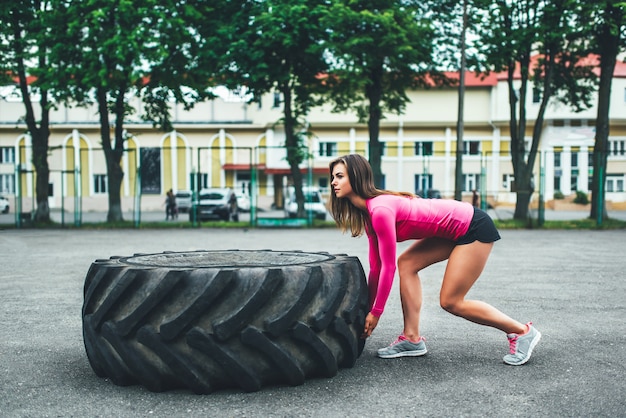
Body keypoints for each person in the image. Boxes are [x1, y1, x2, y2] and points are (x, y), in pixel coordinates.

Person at [329, 154, 540, 365]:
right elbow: (377, 268)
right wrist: (367, 309)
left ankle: (521, 332)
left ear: (356, 177)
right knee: (407, 264)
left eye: (339, 176)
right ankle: (412, 338)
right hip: (452, 230)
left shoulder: (380, 211)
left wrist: (376, 313)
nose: (333, 182)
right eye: (333, 177)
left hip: (473, 226)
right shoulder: (370, 217)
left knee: (451, 301)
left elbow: (388, 267)